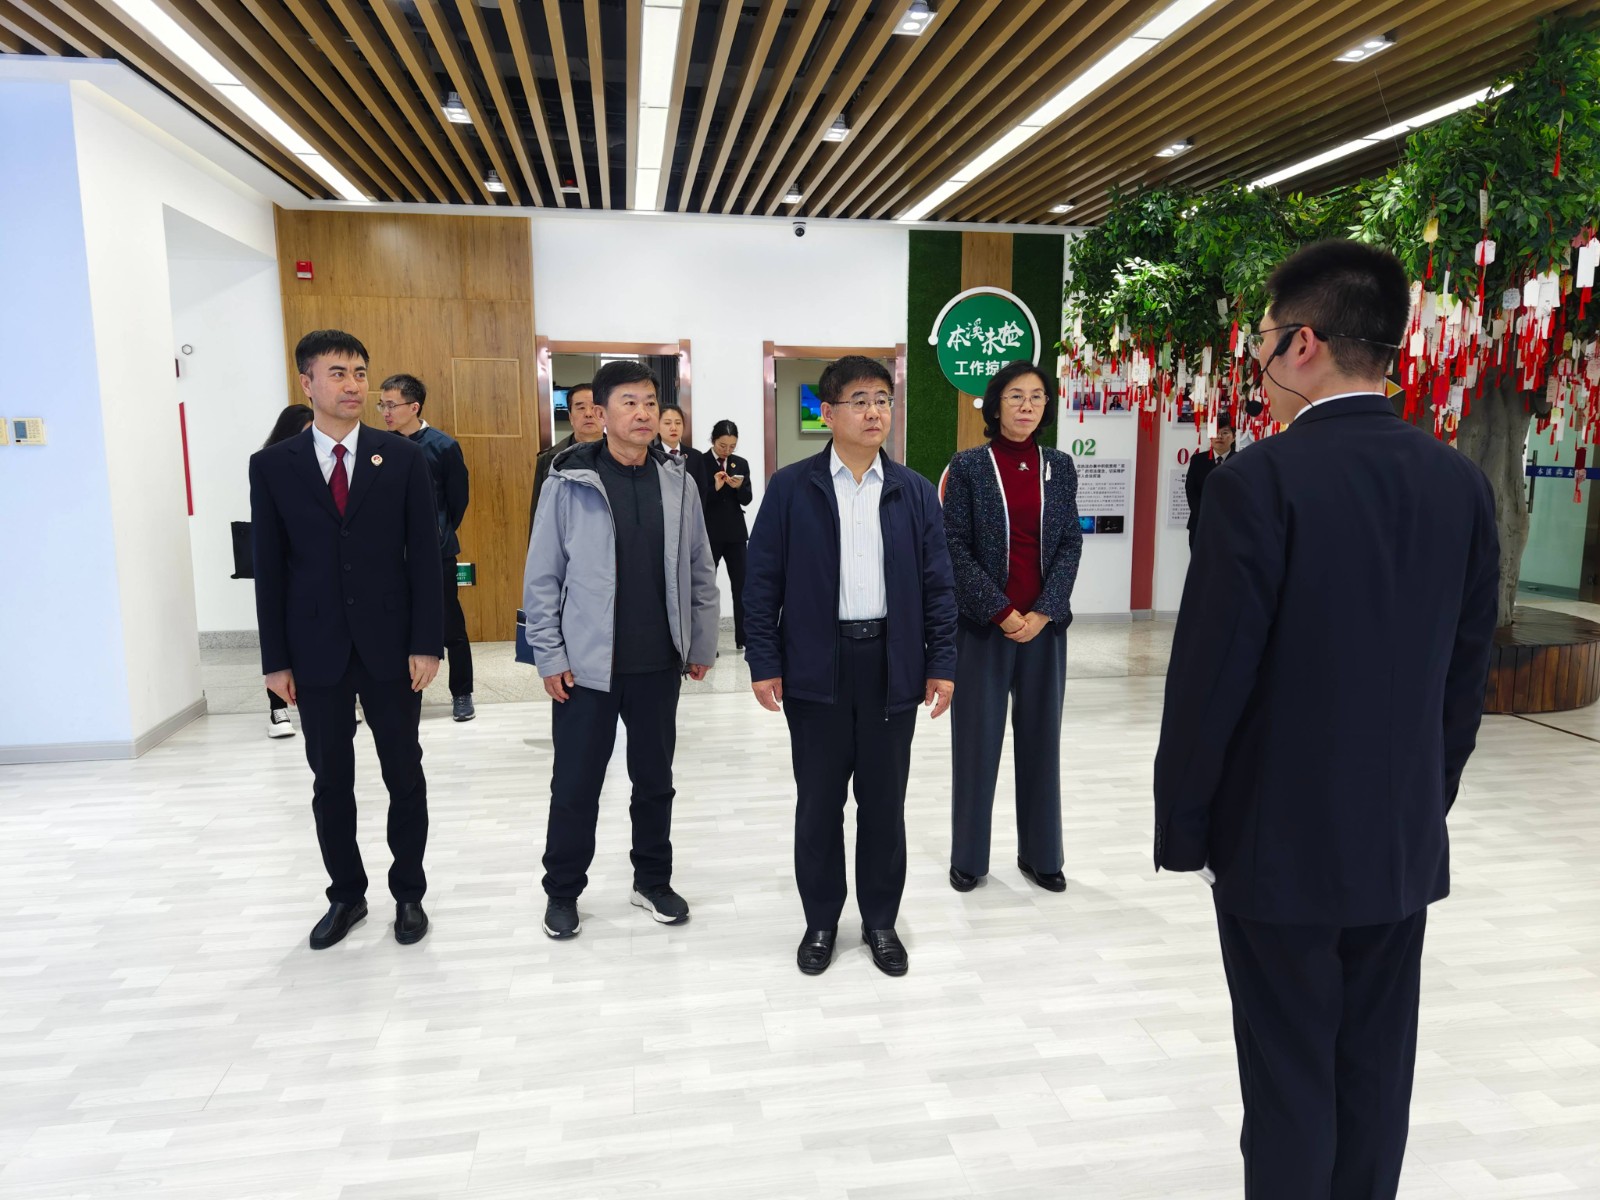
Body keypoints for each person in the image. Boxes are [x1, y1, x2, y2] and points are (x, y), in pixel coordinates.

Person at [1153, 240, 1500, 1198]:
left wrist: (1186, 830)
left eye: (1263, 338)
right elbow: (1464, 678)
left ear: (1300, 344)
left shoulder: (1256, 484)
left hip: (1278, 853)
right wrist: (1424, 801)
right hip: (1399, 843)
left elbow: (1210, 684)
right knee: (1376, 1077)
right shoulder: (1460, 484)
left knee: (1289, 1084)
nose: (1259, 359)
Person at [743, 355, 958, 978]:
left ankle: (880, 921)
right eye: (859, 400)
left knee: (884, 806)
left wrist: (942, 662)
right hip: (817, 666)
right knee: (818, 805)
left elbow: (938, 586)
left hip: (893, 665)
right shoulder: (792, 488)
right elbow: (761, 583)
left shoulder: (913, 490)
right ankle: (820, 922)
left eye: (883, 400)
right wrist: (764, 660)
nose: (874, 412)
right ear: (828, 413)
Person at [250, 329, 443, 950]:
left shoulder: (402, 458)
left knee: (403, 773)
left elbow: (425, 557)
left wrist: (427, 642)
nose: (354, 384)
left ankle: (409, 893)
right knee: (330, 781)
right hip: (316, 649)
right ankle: (346, 895)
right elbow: (269, 569)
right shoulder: (272, 466)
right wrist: (275, 661)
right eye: (337, 373)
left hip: (392, 646)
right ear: (306, 382)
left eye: (360, 372)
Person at [523, 359, 719, 941]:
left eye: (650, 402)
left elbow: (700, 569)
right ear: (601, 414)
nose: (643, 413)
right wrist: (549, 655)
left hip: (658, 662)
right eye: (628, 402)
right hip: (585, 669)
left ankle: (652, 881)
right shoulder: (568, 482)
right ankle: (562, 891)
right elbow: (542, 577)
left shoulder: (679, 483)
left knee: (655, 782)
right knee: (575, 786)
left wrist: (701, 641)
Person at [942, 362, 1083, 894]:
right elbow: (953, 547)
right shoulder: (969, 466)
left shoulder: (1059, 467)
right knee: (976, 745)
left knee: (1043, 742)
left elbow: (1070, 542)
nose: (1027, 405)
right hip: (984, 629)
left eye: (1037, 396)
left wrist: (1044, 611)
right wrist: (1001, 611)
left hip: (1044, 629)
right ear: (996, 403)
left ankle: (1042, 855)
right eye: (1016, 396)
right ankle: (969, 858)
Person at [378, 373, 475, 722]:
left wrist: (438, 532)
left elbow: (457, 500)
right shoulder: (379, 447)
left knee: (451, 626)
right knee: (395, 628)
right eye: (381, 405)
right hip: (392, 554)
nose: (385, 412)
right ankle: (402, 695)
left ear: (414, 407)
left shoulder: (443, 446)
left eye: (392, 405)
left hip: (437, 553)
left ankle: (462, 693)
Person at [256, 404, 314, 740]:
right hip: (286, 569)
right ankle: (277, 707)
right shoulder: (271, 465)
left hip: (315, 569)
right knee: (280, 642)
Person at [700, 419, 753, 649]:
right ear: (713, 440)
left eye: (732, 446)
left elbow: (747, 499)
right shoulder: (700, 462)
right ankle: (706, 642)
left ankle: (744, 639)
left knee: (742, 586)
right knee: (705, 588)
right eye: (723, 446)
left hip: (735, 534)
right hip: (709, 533)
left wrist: (738, 487)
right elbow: (697, 499)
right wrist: (715, 487)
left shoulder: (740, 463)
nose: (727, 451)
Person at [528, 383, 603, 542]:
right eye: (580, 408)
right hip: (565, 544)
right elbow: (539, 517)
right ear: (570, 417)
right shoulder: (550, 460)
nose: (588, 414)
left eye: (594, 407)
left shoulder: (624, 456)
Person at [1183, 419, 1237, 547]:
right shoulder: (1198, 460)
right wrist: (1204, 515)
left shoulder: (1241, 460)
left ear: (1233, 437)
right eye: (1215, 432)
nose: (1219, 436)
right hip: (1200, 524)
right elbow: (1191, 490)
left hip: (1231, 526)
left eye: (1225, 432)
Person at [655, 403, 703, 481]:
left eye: (678, 423)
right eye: (667, 423)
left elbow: (702, 487)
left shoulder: (696, 456)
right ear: (657, 427)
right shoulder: (651, 456)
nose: (674, 428)